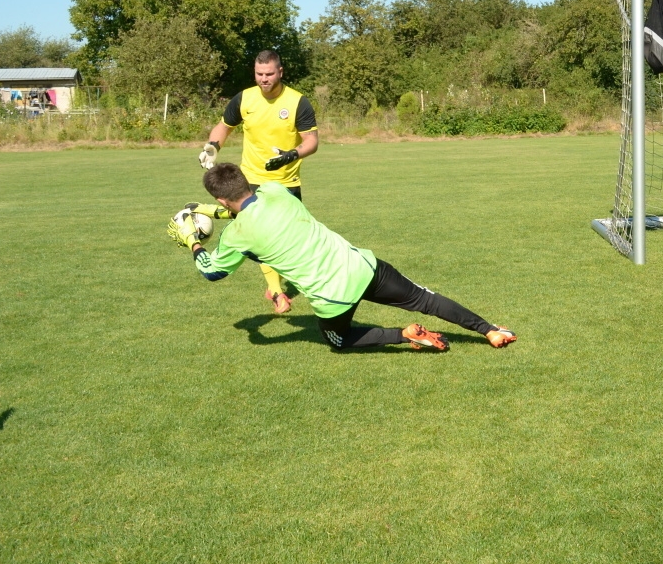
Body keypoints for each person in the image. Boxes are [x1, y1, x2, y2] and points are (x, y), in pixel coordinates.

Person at [171, 163, 517, 352]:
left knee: (338, 341)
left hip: (333, 296)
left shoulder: (236, 236)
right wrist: (209, 209)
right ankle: (490, 330)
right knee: (425, 298)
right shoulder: (276, 192)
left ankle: (404, 335)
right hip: (363, 266)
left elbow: (212, 272)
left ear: (220, 201)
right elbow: (249, 205)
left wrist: (192, 240)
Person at [197, 50, 318, 314]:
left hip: (286, 182)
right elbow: (224, 126)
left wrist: (291, 155)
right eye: (259, 74)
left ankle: (206, 210)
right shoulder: (244, 98)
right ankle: (276, 290)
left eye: (269, 74)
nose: (264, 79)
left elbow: (312, 142)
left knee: (290, 240)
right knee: (262, 238)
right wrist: (212, 146)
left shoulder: (298, 102)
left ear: (280, 72)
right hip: (251, 181)